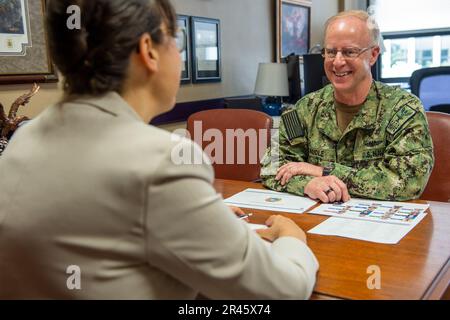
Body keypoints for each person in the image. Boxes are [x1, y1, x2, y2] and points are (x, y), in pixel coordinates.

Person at [0, 0, 318, 299]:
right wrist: (292, 238)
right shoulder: (163, 162)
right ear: (148, 50)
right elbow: (280, 290)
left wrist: (202, 218)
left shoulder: (22, 140)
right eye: (175, 41)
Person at [261, 10, 434, 203]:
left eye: (349, 52)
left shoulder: (404, 110)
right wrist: (307, 184)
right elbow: (272, 165)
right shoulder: (302, 109)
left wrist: (324, 171)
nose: (338, 62)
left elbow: (408, 181)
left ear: (373, 54)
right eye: (331, 52)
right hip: (315, 218)